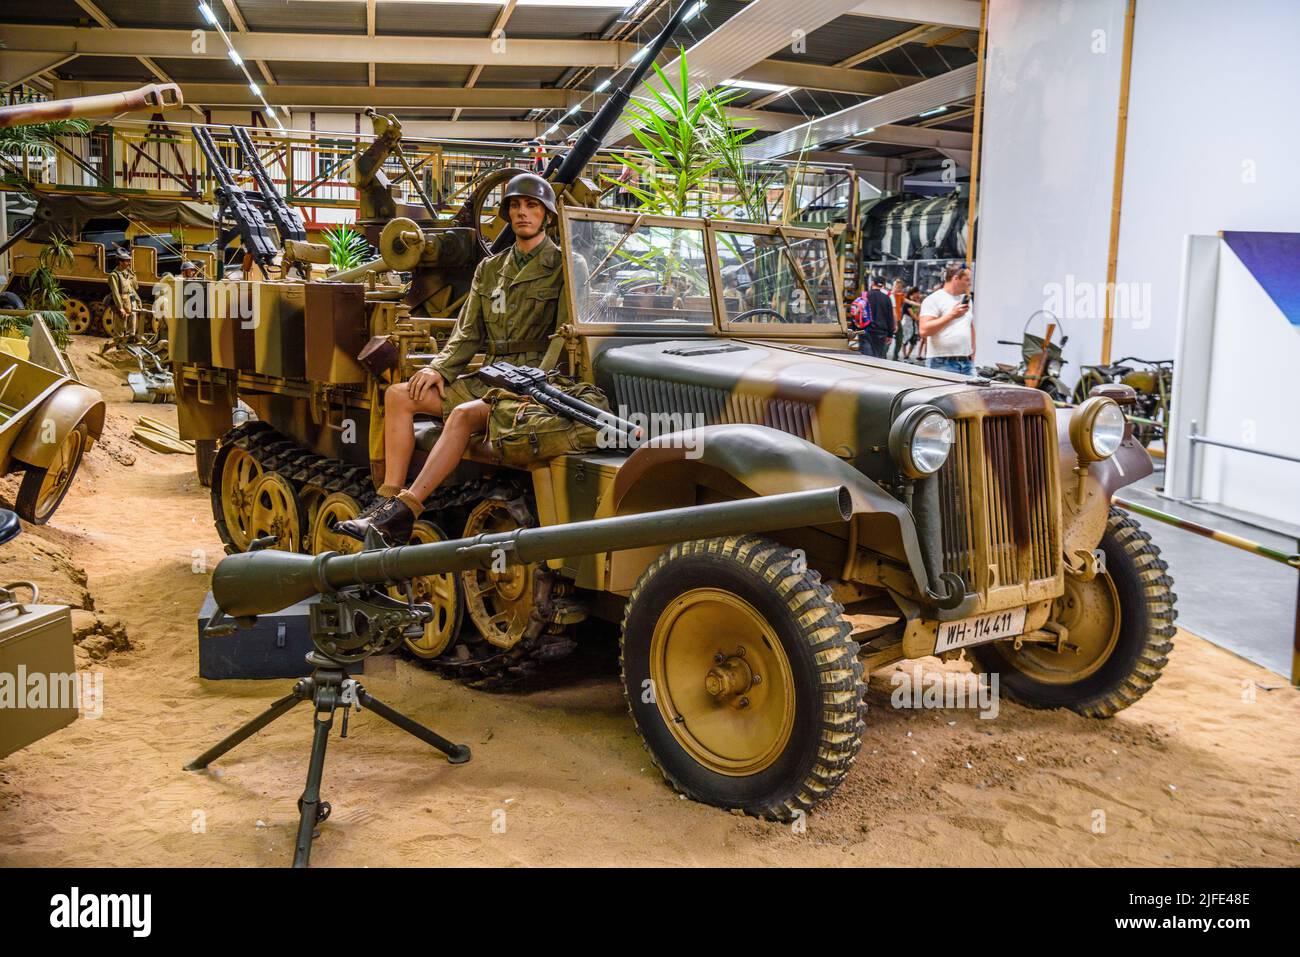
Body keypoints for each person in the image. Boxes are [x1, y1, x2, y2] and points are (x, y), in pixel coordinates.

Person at [337, 173, 595, 546]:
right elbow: (467, 333)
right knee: (398, 395)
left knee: (461, 416)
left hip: (533, 382)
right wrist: (438, 368)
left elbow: (563, 337)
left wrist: (534, 384)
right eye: (516, 206)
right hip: (491, 374)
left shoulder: (566, 266)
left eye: (532, 206)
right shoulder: (490, 270)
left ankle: (405, 512)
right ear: (508, 214)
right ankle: (386, 500)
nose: (523, 213)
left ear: (548, 216)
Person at [918, 264, 975, 375]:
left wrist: (972, 351)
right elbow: (924, 331)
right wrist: (951, 315)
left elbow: (970, 325)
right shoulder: (933, 299)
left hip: (966, 362)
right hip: (941, 362)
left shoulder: (966, 300)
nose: (970, 283)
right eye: (967, 280)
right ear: (955, 279)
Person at [107, 247, 142, 338]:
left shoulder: (128, 273)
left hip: (131, 301)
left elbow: (133, 288)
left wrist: (138, 301)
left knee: (132, 326)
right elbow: (115, 293)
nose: (129, 263)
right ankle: (118, 347)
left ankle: (130, 343)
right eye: (127, 261)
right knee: (120, 326)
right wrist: (120, 307)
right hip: (122, 302)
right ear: (120, 262)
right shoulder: (114, 275)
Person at [866, 277, 895, 359]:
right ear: (883, 285)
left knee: (865, 357)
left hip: (866, 330)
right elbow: (890, 317)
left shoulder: (865, 296)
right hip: (881, 332)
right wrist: (890, 334)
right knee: (878, 357)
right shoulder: (886, 298)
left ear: (872, 283)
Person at [848, 286, 872, 355]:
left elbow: (854, 312)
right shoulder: (865, 300)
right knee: (866, 343)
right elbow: (861, 306)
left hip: (857, 323)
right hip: (865, 325)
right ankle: (867, 358)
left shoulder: (857, 299)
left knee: (862, 342)